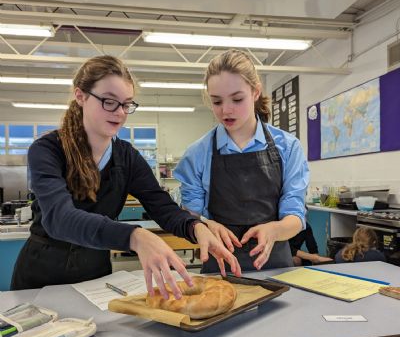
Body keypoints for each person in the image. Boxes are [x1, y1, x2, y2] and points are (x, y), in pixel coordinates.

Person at [11, 55, 241, 298]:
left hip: (95, 275)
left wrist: (196, 227)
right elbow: (59, 218)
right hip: (40, 277)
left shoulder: (127, 157)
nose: (120, 113)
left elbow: (161, 207)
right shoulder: (48, 149)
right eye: (109, 102)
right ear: (81, 96)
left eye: (126, 104)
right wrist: (134, 236)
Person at [174, 49, 309, 273]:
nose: (226, 110)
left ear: (255, 92)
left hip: (275, 266)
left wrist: (275, 230)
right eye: (216, 102)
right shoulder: (197, 154)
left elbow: (295, 216)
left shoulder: (288, 147)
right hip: (220, 269)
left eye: (237, 99)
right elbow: (190, 217)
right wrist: (205, 225)